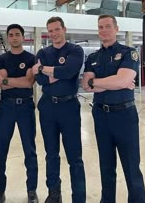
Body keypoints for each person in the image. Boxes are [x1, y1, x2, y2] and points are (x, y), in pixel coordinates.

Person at [82, 14, 145, 203]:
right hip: (101, 115)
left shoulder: (129, 52)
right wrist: (115, 82)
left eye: (108, 26)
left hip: (124, 116)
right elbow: (86, 85)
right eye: (100, 27)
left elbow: (123, 80)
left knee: (131, 166)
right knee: (106, 166)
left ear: (116, 29)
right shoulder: (93, 57)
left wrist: (101, 82)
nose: (104, 30)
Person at [32, 16, 86, 203]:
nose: (54, 33)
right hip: (47, 107)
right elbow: (39, 80)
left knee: (75, 157)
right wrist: (58, 72)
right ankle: (54, 194)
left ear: (64, 29)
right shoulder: (42, 51)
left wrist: (44, 69)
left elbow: (70, 71)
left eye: (57, 29)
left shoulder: (75, 50)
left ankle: (79, 197)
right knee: (51, 154)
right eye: (51, 30)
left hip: (69, 107)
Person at [0, 24, 38, 203]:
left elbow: (29, 83)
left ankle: (31, 190)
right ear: (8, 38)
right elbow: (1, 84)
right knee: (1, 149)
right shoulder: (1, 59)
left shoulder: (32, 58)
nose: (14, 37)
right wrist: (19, 80)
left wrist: (9, 80)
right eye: (11, 35)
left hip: (26, 108)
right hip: (6, 108)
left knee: (30, 150)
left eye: (17, 34)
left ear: (23, 37)